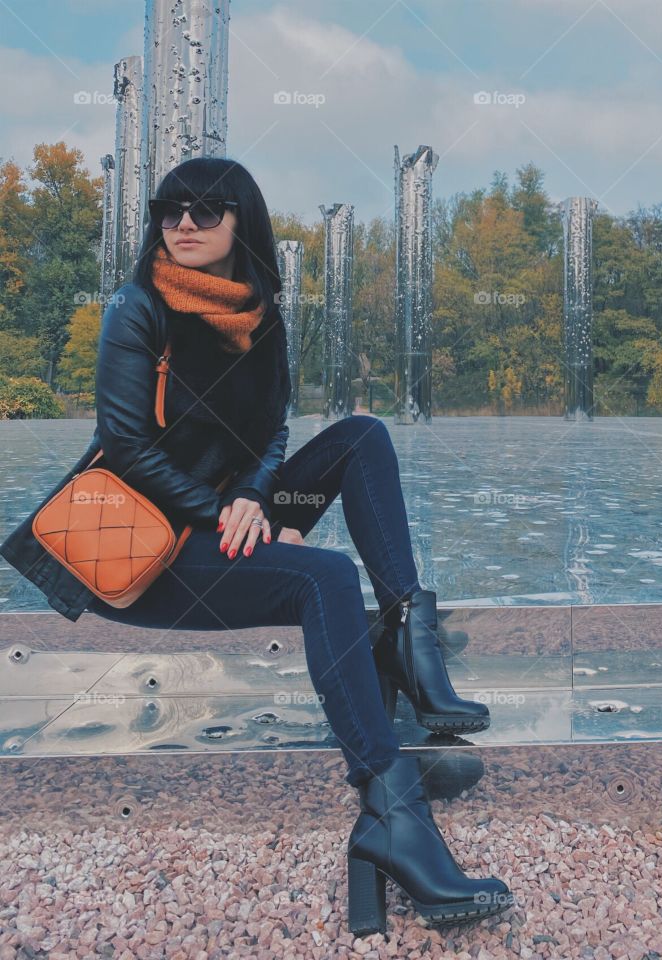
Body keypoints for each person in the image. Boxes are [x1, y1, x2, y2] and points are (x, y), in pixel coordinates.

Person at [79, 157, 512, 934]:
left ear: (242, 221)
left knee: (362, 438)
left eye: (207, 210)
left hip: (224, 513)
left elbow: (272, 429)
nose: (185, 223)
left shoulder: (260, 312)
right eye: (172, 208)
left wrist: (254, 496)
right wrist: (222, 512)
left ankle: (410, 643)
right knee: (325, 578)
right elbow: (124, 446)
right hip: (152, 552)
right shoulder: (134, 305)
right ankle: (389, 809)